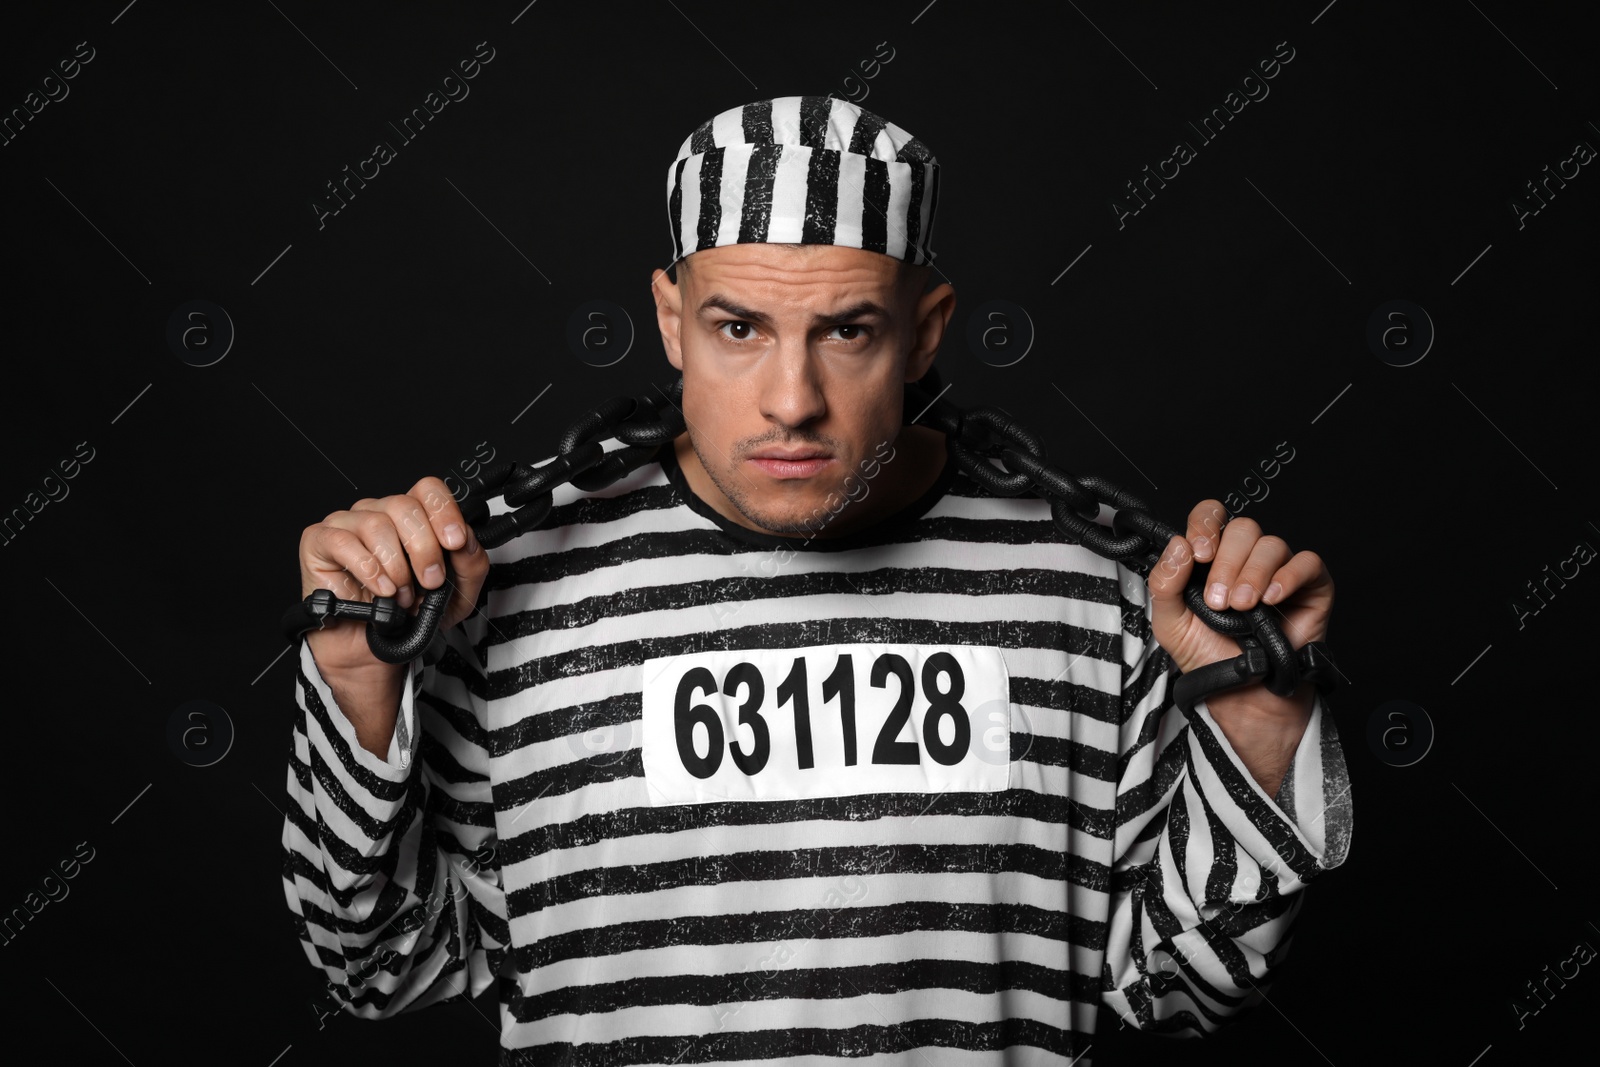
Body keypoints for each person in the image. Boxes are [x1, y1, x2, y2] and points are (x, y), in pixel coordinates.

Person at [281, 94, 1353, 1065]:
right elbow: (379, 962)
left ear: (924, 330)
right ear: (669, 319)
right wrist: (358, 682)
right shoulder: (498, 587)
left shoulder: (1088, 594)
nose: (790, 400)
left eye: (847, 331)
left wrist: (1258, 721)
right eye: (737, 327)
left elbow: (1180, 988)